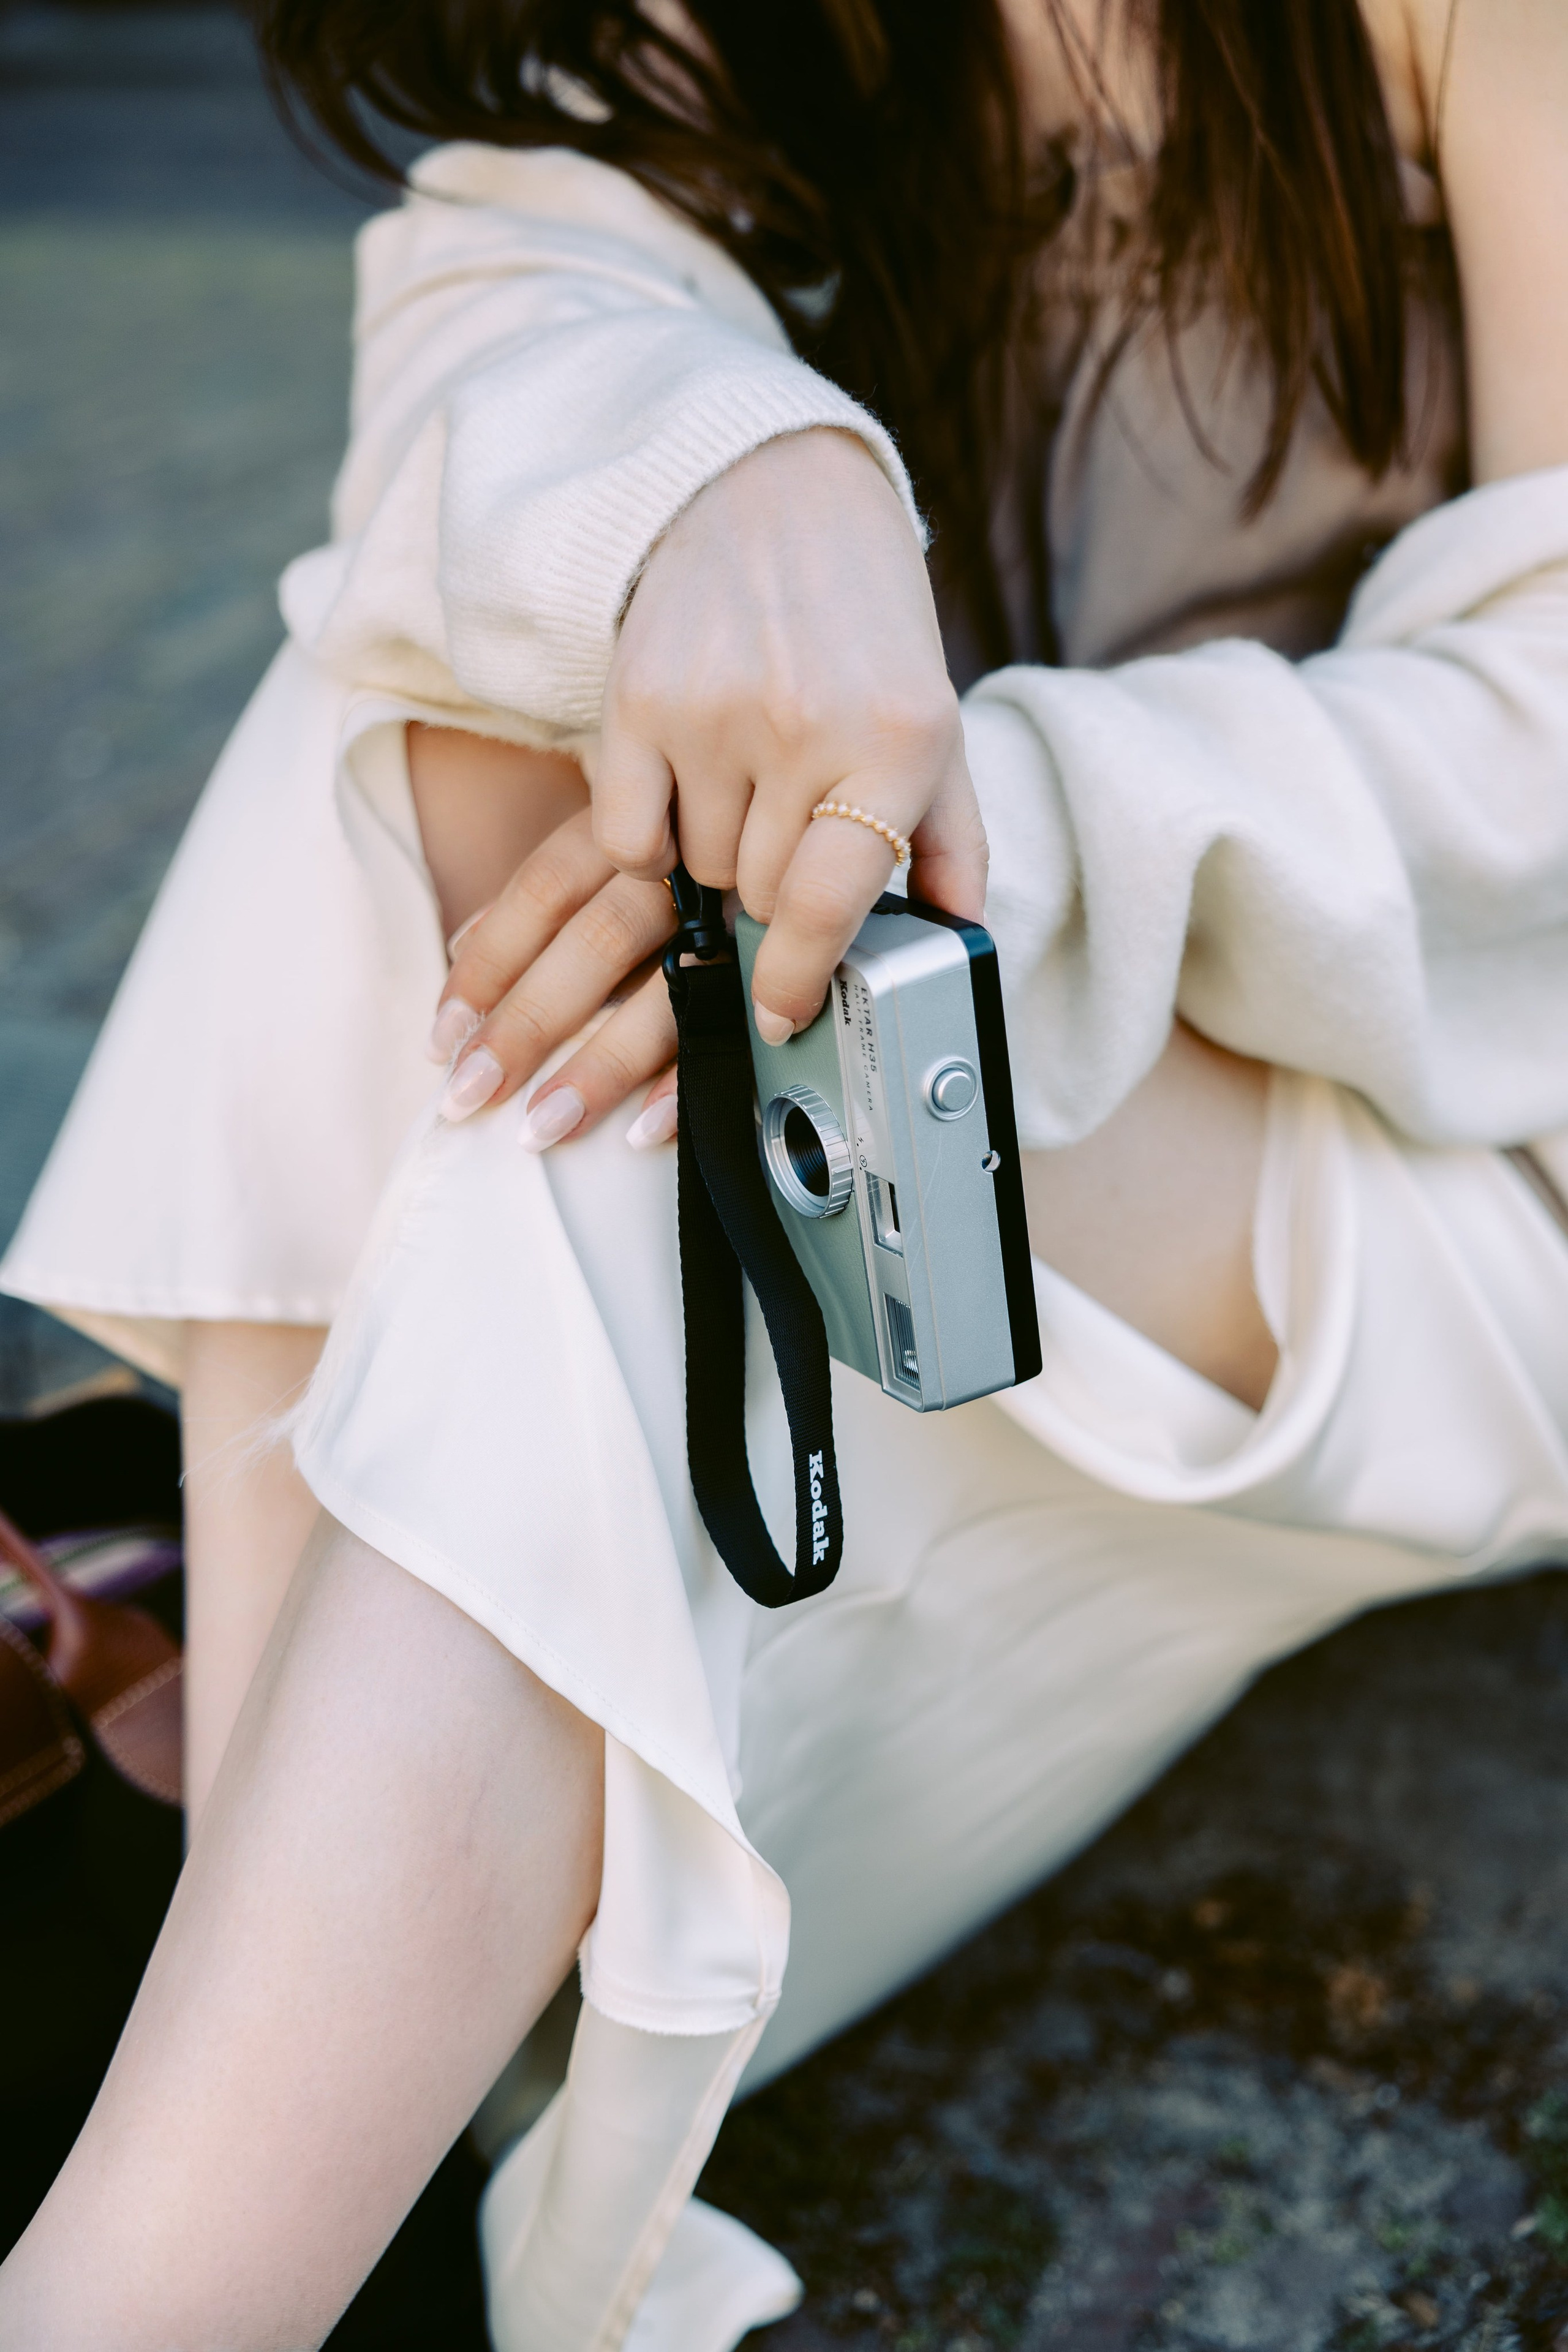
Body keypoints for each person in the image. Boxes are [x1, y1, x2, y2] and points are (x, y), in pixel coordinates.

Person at [4, 0, 1568, 2341]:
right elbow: (494, 319)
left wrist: (946, 831)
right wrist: (734, 474)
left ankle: (170, 2258)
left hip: (1451, 1158)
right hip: (963, 1118)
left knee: (679, 1027)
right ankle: (308, 2081)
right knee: (437, 720)